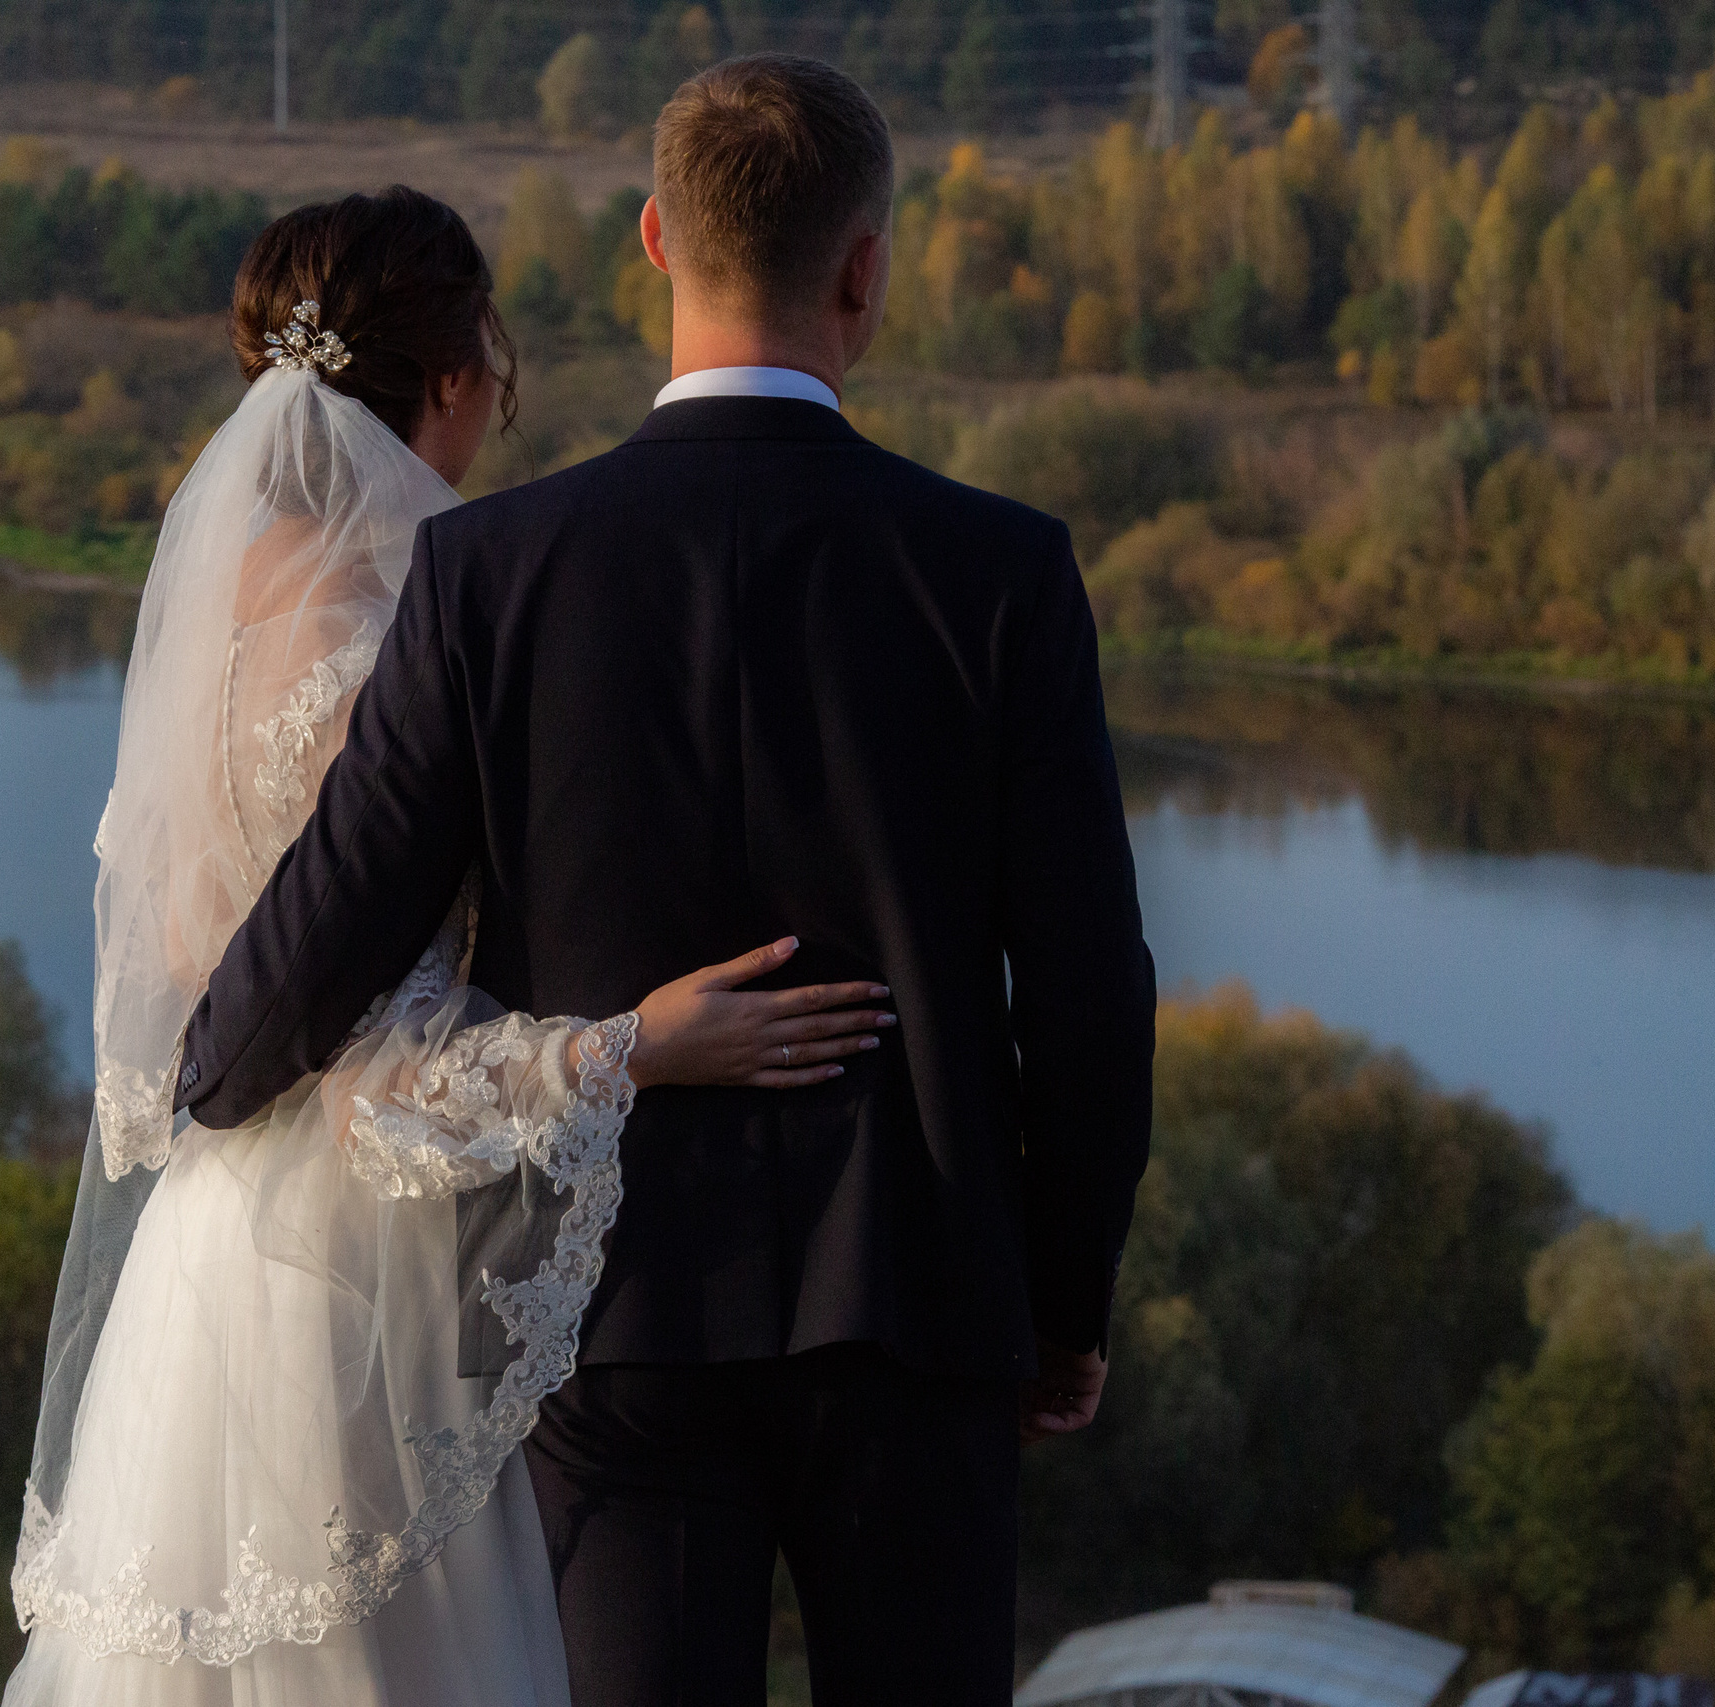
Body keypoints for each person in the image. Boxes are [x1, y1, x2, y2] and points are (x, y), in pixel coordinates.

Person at [175, 54, 1159, 1707]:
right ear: (867, 266)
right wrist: (1065, 1305)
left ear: (651, 240)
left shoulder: (487, 572)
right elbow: (1085, 994)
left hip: (616, 1324)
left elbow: (323, 935)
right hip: (920, 1310)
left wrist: (217, 1069)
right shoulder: (1000, 569)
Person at [3, 186, 889, 1707]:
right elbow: (366, 1068)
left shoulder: (220, 602)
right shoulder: (409, 609)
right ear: (460, 373)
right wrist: (636, 1045)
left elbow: (205, 976)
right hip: (347, 1288)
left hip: (206, 1262)